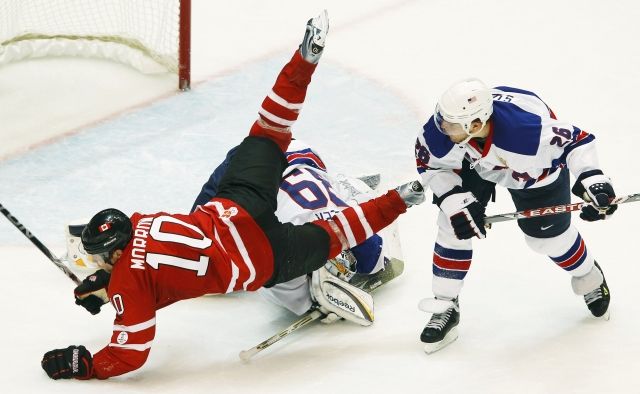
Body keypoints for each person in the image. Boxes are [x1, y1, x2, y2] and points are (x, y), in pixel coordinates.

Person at [41, 11, 425, 380]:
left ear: (115, 252)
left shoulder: (129, 283)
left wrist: (88, 364)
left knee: (332, 239)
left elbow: (131, 351)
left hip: (262, 258)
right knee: (269, 131)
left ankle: (397, 203)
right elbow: (152, 272)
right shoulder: (141, 221)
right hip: (237, 205)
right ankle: (305, 60)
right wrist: (110, 288)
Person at [414, 78, 616, 353]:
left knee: (547, 240)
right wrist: (451, 197)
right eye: (444, 119)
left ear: (475, 124)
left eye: (450, 124)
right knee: (455, 222)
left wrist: (593, 180)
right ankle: (445, 305)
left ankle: (588, 275)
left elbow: (576, 142)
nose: (441, 127)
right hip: (471, 157)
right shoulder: (443, 132)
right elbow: (431, 165)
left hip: (529, 170)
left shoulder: (526, 134)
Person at [192, 138, 396, 320]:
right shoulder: (287, 243)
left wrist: (318, 297)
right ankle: (344, 187)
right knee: (200, 248)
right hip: (248, 168)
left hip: (298, 154)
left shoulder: (304, 238)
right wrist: (313, 303)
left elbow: (376, 259)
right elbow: (272, 279)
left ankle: (344, 186)